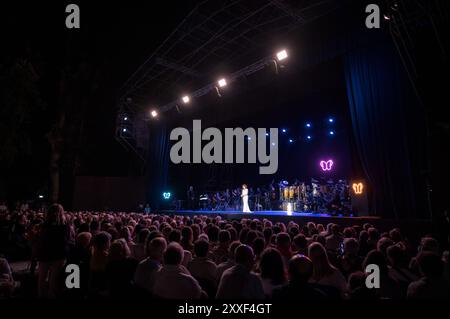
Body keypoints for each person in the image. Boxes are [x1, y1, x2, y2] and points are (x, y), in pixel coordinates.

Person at [37, 204, 70, 298]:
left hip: (45, 253)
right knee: (53, 280)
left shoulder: (44, 225)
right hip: (58, 254)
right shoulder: (64, 226)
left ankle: (41, 296)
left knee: (42, 279)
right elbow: (66, 240)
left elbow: (41, 239)